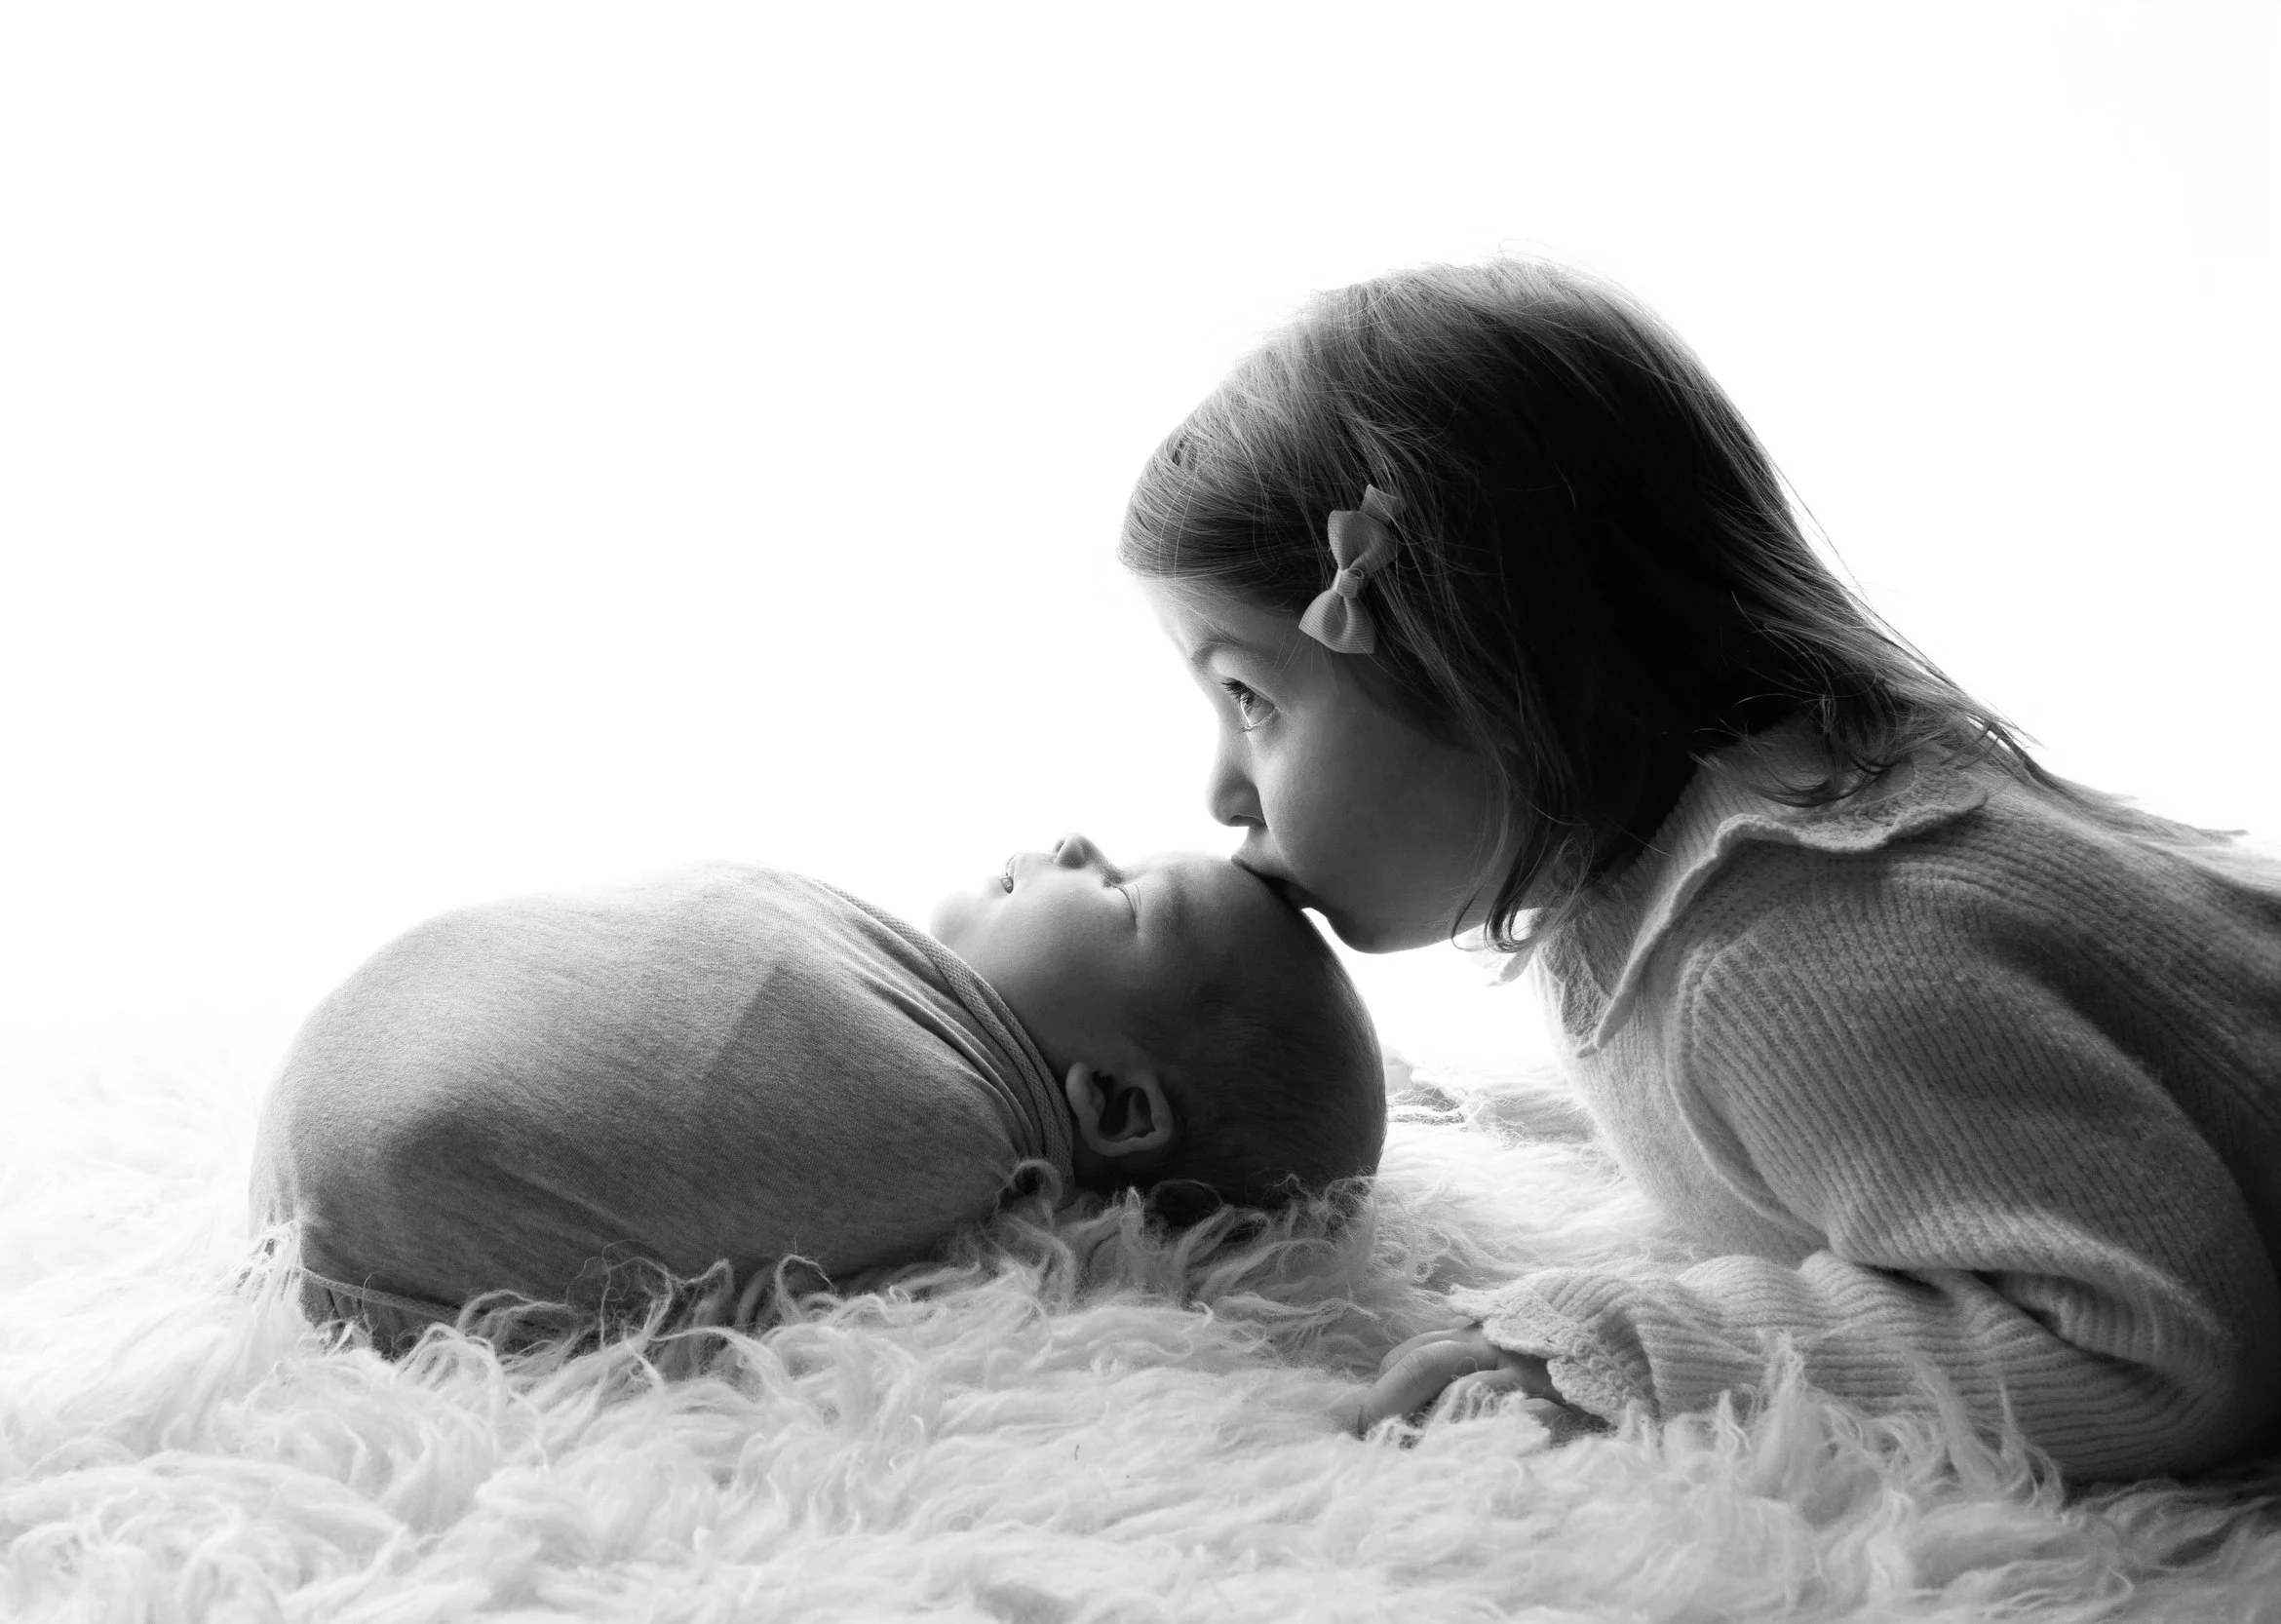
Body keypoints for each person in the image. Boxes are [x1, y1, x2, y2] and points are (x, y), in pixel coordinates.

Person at [1118, 256, 2281, 1480]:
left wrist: (1656, 1349)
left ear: (1479, 657)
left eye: (1247, 697)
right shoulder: (1674, 893)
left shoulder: (1796, 954)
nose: (1220, 790)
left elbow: (2151, 1353)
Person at [250, 839, 1385, 1353]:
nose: (1085, 842)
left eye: (1127, 898)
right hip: (370, 1095)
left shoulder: (938, 1128)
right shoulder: (895, 985)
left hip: (386, 1194)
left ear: (1118, 1110)